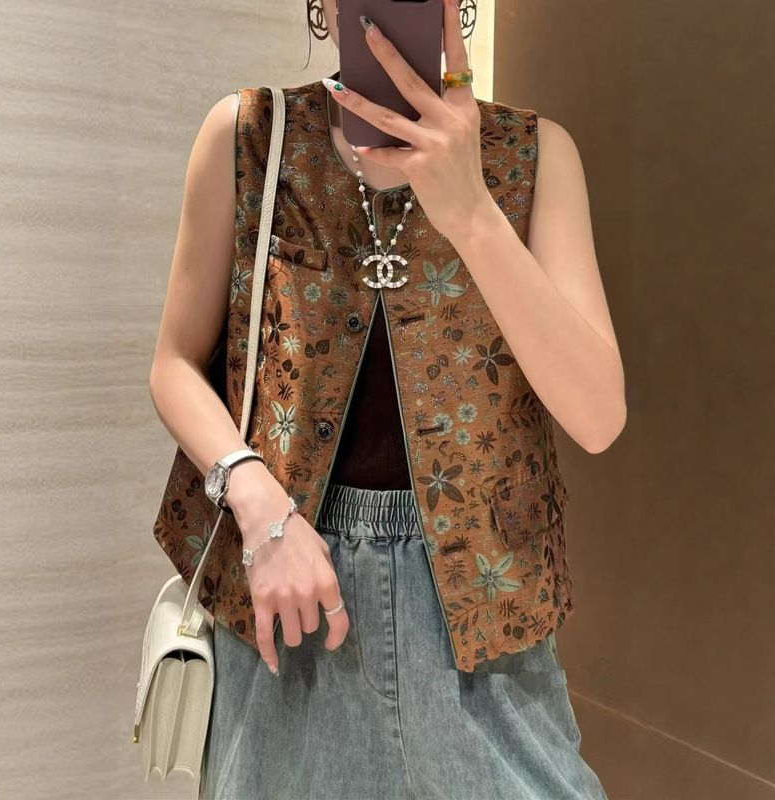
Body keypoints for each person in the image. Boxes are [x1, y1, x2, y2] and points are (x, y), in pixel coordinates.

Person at [148, 0, 623, 797]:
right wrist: (256, 503)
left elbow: (598, 415)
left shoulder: (535, 155)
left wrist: (472, 211)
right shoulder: (251, 137)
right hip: (288, 599)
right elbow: (174, 364)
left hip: (481, 619)